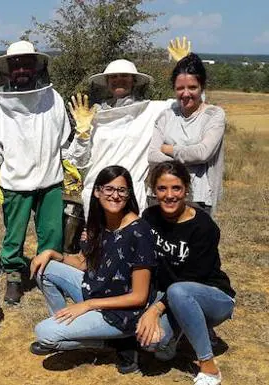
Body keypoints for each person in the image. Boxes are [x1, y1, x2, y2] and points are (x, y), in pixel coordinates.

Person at [29, 166, 156, 374]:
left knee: (44, 333)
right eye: (109, 189)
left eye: (122, 191)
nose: (115, 195)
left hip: (121, 312)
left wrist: (87, 305)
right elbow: (84, 262)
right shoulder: (99, 222)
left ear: (129, 194)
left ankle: (116, 342)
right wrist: (53, 254)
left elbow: (139, 297)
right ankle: (67, 324)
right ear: (97, 192)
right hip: (96, 291)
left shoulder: (139, 232)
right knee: (46, 269)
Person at [0, 40, 70, 304]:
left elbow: (62, 139)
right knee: (14, 235)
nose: (21, 69)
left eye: (26, 64)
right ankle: (14, 277)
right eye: (16, 64)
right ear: (8, 69)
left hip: (51, 179)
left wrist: (69, 164)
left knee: (52, 233)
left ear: (35, 67)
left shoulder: (53, 98)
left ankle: (49, 275)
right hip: (15, 180)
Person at [137, 161, 235, 385]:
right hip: (172, 295)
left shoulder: (204, 226)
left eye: (176, 188)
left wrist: (155, 309)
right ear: (154, 190)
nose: (169, 195)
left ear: (186, 189)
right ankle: (185, 330)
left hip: (212, 296)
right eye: (162, 188)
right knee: (152, 344)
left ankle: (209, 366)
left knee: (179, 291)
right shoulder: (149, 217)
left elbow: (194, 277)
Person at [66, 59, 173, 214]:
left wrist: (185, 66)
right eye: (113, 77)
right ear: (107, 82)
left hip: (130, 194)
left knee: (131, 238)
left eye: (124, 76)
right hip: (97, 193)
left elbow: (190, 101)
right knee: (98, 238)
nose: (118, 80)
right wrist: (82, 133)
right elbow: (79, 161)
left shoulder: (151, 110)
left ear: (134, 80)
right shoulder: (93, 116)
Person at [148, 53, 225, 215]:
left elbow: (203, 153)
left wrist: (169, 149)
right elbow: (153, 155)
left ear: (202, 87)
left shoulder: (213, 115)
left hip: (198, 197)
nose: (185, 94)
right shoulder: (166, 116)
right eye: (180, 88)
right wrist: (189, 158)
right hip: (161, 196)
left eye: (192, 87)